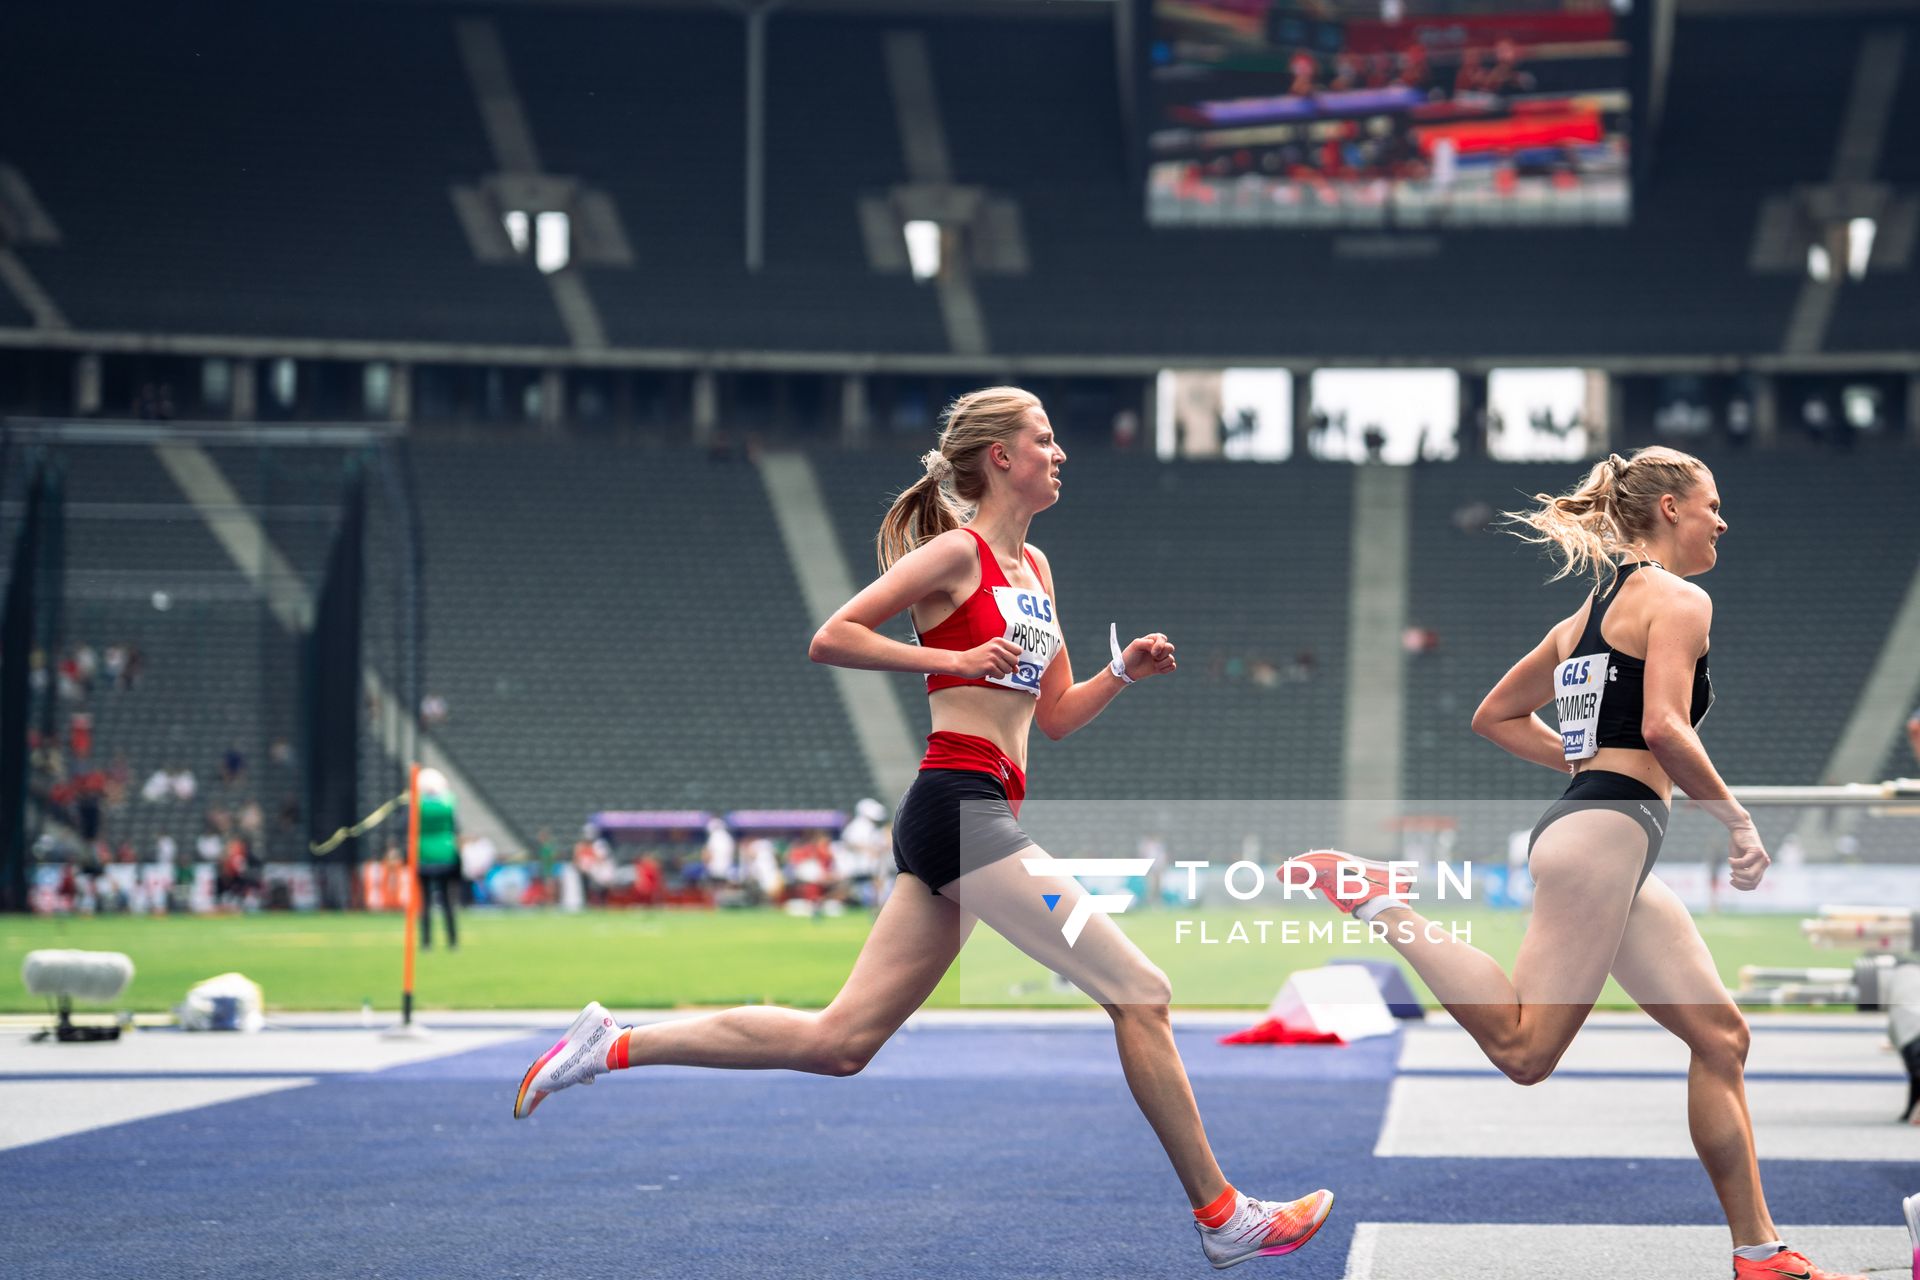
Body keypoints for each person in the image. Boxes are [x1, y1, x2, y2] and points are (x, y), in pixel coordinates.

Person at [512, 386, 1335, 1268]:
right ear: (1001, 460)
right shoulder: (956, 553)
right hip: (959, 807)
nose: (1061, 454)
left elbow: (1052, 716)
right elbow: (833, 635)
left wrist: (1121, 674)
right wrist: (949, 655)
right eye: (1045, 440)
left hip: (971, 814)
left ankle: (612, 1044)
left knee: (841, 1043)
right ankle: (1222, 1216)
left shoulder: (1039, 572)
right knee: (1142, 990)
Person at [1292, 447, 1864, 1280]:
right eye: (1712, 504)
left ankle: (1760, 1254)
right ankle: (1379, 899)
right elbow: (1668, 727)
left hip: (1608, 828)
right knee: (1526, 1050)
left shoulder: (1590, 613)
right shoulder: (1678, 600)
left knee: (1721, 1037)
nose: (1721, 519)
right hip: (1604, 834)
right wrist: (1735, 820)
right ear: (1669, 509)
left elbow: (1496, 715)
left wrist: (1590, 763)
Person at [414, 768, 460, 949]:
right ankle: (453, 941)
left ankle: (426, 942)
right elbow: (456, 827)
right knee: (448, 901)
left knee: (424, 902)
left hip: (423, 856)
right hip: (446, 855)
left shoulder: (417, 806)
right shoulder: (448, 803)